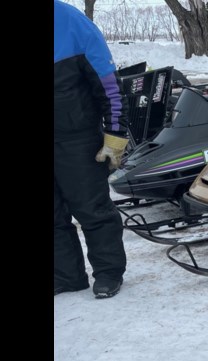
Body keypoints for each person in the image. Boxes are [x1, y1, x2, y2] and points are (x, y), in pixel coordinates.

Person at [54, 0, 128, 298]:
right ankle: (67, 276)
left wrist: (115, 133)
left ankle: (109, 272)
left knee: (93, 210)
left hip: (76, 139)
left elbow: (108, 85)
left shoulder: (69, 21)